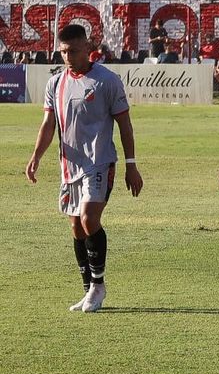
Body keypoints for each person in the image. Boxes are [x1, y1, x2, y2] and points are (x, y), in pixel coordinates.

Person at [26, 24, 144, 312]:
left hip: (100, 161)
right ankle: (88, 288)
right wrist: (36, 157)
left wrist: (131, 165)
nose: (68, 57)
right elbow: (48, 125)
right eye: (63, 52)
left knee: (90, 219)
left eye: (73, 51)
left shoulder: (106, 81)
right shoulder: (55, 83)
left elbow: (124, 124)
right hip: (69, 166)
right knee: (76, 227)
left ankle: (99, 287)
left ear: (88, 48)